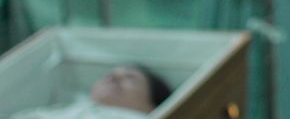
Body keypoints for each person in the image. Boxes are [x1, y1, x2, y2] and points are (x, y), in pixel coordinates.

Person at [12, 65, 172, 119]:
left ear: (152, 106)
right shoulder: (59, 111)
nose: (115, 77)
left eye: (130, 78)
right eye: (109, 75)